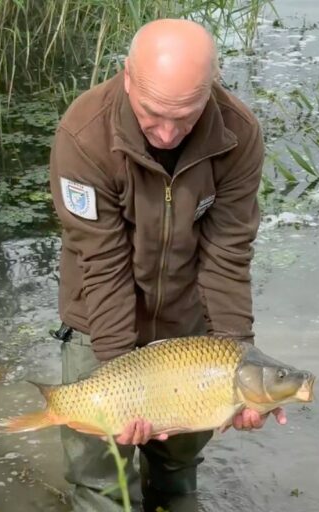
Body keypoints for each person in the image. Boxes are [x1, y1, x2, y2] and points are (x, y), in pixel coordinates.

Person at [48, 18, 285, 512]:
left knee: (178, 466)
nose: (168, 133)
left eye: (186, 116)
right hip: (98, 313)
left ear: (211, 86)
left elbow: (227, 255)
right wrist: (123, 383)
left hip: (187, 322)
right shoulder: (84, 133)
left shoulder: (239, 134)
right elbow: (101, 261)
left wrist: (241, 366)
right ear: (128, 77)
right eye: (153, 114)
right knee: (101, 476)